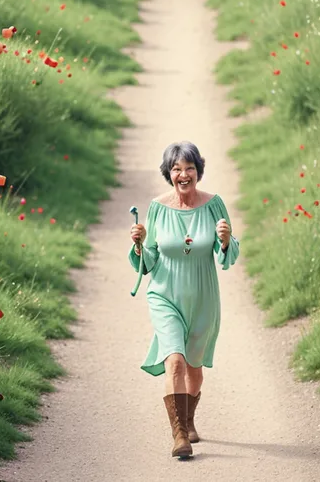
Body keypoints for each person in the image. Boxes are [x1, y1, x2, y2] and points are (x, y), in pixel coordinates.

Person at [129, 141, 239, 459]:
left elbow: (228, 252)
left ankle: (188, 419)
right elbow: (149, 259)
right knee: (174, 361)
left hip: (203, 298)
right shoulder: (158, 207)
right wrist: (139, 245)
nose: (183, 174)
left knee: (194, 368)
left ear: (198, 171)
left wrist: (226, 239)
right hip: (165, 294)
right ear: (169, 173)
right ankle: (179, 435)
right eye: (176, 168)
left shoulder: (214, 205)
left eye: (189, 167)